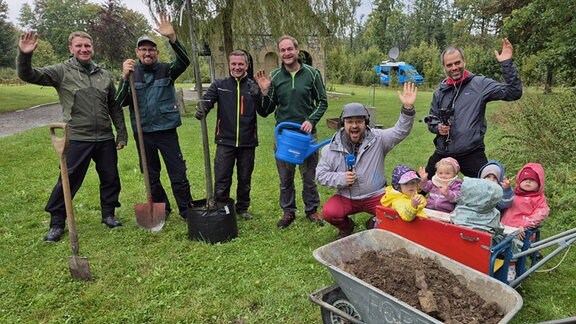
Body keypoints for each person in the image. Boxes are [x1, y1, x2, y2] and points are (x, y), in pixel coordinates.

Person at [17, 31, 127, 242]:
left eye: (87, 45)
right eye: (79, 46)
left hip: (104, 137)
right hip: (77, 137)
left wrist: (121, 134)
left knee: (111, 177)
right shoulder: (61, 71)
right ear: (71, 49)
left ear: (92, 48)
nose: (84, 49)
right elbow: (27, 75)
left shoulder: (103, 75)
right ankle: (57, 223)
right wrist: (25, 55)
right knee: (68, 180)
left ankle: (109, 214)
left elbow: (114, 106)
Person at [316, 82, 418, 239]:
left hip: (376, 194)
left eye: (359, 121)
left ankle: (374, 222)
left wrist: (408, 109)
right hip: (346, 197)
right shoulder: (332, 147)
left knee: (399, 210)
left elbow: (400, 131)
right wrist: (341, 178)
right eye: (350, 122)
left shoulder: (378, 139)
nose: (355, 126)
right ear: (343, 124)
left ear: (366, 123)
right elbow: (320, 175)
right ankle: (346, 227)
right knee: (330, 212)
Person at [116, 13, 192, 221]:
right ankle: (162, 209)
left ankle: (187, 211)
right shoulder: (131, 74)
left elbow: (185, 61)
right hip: (143, 133)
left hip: (166, 130)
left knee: (178, 173)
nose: (147, 53)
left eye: (151, 49)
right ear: (137, 52)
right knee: (151, 176)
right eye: (143, 49)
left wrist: (173, 38)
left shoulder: (166, 70)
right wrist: (123, 78)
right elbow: (120, 101)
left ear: (157, 52)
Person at [254, 35, 328, 228]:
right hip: (284, 136)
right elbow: (265, 110)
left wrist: (311, 120)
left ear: (297, 50)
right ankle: (288, 212)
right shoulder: (276, 77)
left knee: (309, 177)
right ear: (280, 53)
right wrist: (264, 91)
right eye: (283, 50)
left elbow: (322, 101)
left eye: (289, 49)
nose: (286, 53)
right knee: (285, 178)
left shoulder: (312, 74)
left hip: (306, 136)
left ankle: (312, 211)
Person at [423, 39, 523, 178]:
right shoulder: (439, 91)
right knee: (420, 186)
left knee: (489, 189)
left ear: (464, 61)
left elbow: (513, 93)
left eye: (457, 63)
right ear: (444, 67)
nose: (454, 67)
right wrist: (438, 127)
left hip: (471, 152)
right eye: (449, 65)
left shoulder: (480, 84)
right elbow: (432, 119)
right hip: (444, 153)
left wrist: (506, 63)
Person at [195, 50, 267, 220]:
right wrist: (202, 109)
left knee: (244, 178)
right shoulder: (219, 84)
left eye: (240, 64)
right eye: (234, 64)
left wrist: (262, 93)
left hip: (247, 141)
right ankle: (222, 206)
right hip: (225, 140)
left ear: (247, 66)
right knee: (222, 177)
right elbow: (208, 100)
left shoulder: (253, 86)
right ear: (229, 65)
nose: (237, 67)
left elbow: (263, 111)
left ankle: (242, 208)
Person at [501, 163, 549, 232]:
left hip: (522, 231)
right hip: (504, 228)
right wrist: (506, 189)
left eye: (532, 179)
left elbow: (542, 212)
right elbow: (503, 202)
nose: (528, 181)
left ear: (539, 184)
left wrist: (525, 225)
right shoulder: (513, 193)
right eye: (525, 179)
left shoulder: (538, 198)